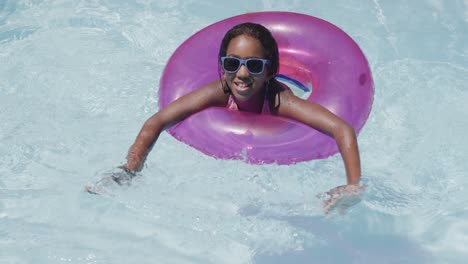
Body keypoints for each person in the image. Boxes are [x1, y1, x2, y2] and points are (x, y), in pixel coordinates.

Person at [114, 22, 363, 214]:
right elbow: (157, 121)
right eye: (232, 63)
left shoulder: (280, 101)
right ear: (222, 67)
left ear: (270, 70)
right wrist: (131, 167)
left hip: (282, 117)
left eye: (254, 66)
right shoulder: (219, 91)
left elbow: (342, 129)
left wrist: (352, 185)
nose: (242, 74)